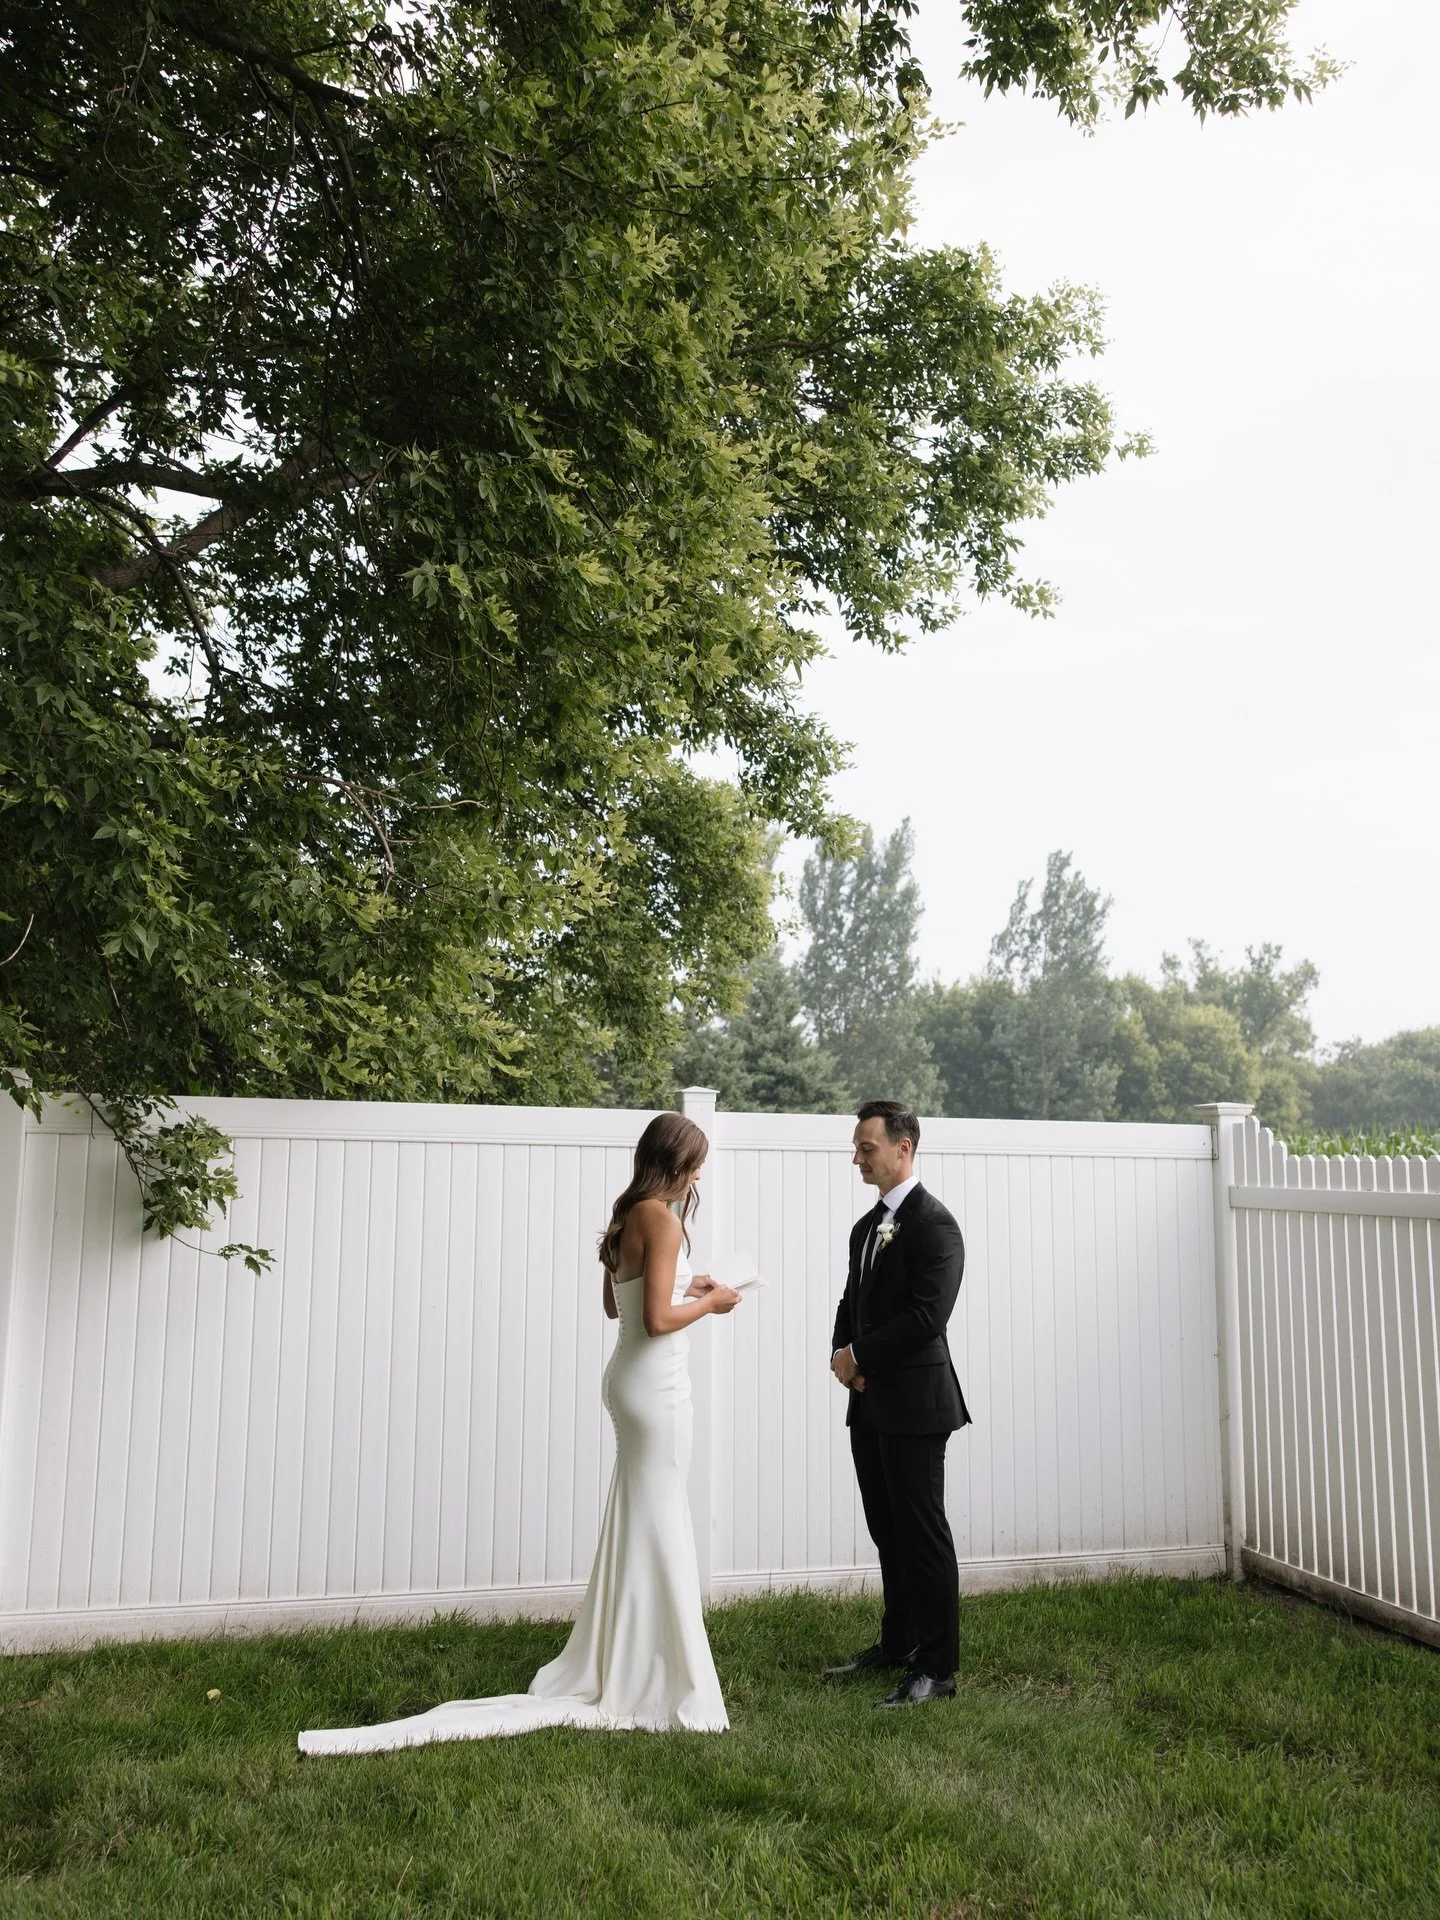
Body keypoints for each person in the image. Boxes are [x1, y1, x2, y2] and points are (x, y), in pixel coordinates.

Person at [298, 1112, 741, 1755]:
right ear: (674, 1163)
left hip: (625, 1380)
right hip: (657, 1390)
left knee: (643, 1515)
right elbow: (655, 1319)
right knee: (662, 1518)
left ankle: (632, 1654)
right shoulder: (664, 1217)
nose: (701, 1173)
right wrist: (710, 1303)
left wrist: (684, 1287)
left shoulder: (628, 1215)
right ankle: (662, 1673)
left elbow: (618, 1303)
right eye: (695, 1162)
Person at [824, 1099, 969, 1706]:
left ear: (903, 1147)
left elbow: (925, 1318)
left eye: (867, 1147)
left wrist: (863, 1357)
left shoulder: (936, 1225)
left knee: (921, 1532)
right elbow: (850, 1303)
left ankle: (938, 1668)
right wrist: (841, 1356)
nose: (857, 1158)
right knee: (886, 1528)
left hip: (916, 1403)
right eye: (857, 1148)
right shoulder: (866, 1227)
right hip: (870, 1400)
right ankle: (898, 1643)